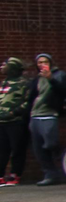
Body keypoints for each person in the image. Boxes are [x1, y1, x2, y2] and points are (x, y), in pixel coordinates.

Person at [26, 53, 66, 185]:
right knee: (38, 148)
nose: (42, 64)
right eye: (39, 62)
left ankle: (64, 164)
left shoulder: (59, 75)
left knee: (51, 144)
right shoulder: (36, 80)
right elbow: (31, 98)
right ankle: (50, 174)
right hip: (35, 115)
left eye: (45, 62)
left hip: (49, 114)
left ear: (50, 63)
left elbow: (64, 91)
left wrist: (51, 79)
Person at [0, 57, 30, 185]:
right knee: (2, 149)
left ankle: (15, 174)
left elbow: (28, 102)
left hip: (16, 122)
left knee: (17, 149)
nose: (2, 66)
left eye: (4, 64)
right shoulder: (3, 83)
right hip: (2, 123)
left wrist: (13, 113)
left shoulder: (24, 83)